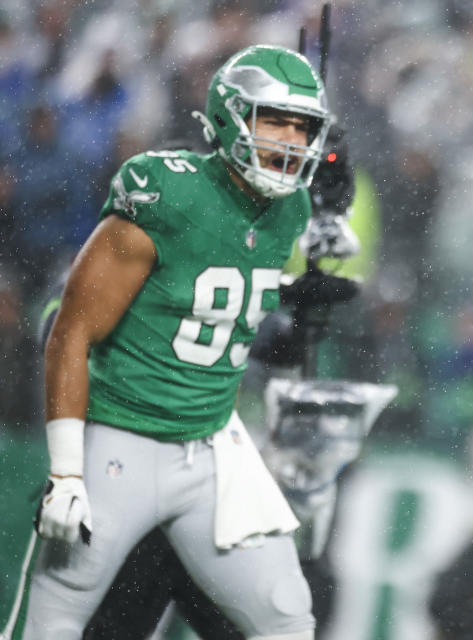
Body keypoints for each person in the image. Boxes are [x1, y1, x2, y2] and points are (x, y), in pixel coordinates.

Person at [21, 44, 333, 640]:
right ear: (231, 117)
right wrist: (66, 474)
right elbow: (71, 332)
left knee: (286, 612)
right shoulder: (167, 192)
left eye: (303, 126)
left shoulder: (290, 208)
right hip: (122, 442)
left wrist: (299, 295)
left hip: (211, 445)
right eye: (275, 120)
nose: (292, 140)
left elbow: (222, 302)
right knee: (53, 619)